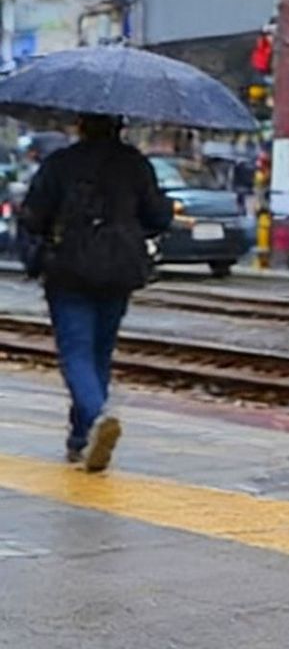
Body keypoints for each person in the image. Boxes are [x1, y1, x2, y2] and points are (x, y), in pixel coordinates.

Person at [18, 113, 173, 471]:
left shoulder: (60, 164)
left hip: (69, 268)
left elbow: (33, 217)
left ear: (80, 125)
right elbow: (157, 218)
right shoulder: (136, 164)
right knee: (100, 351)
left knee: (76, 351)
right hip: (119, 268)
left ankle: (96, 416)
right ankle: (81, 437)